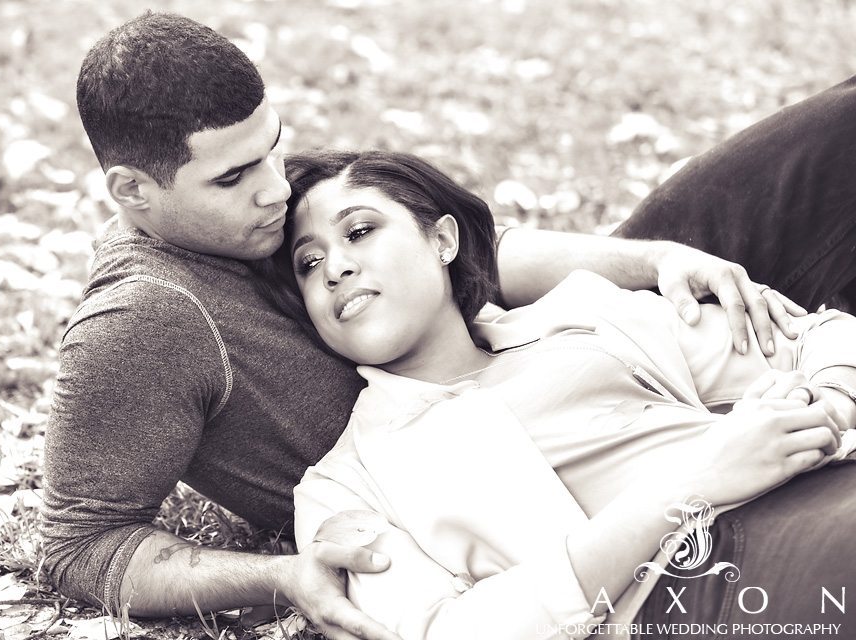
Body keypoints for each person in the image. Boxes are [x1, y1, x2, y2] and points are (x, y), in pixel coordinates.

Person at [42, 11, 805, 640]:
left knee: (825, 140)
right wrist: (281, 576)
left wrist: (655, 261)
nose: (276, 188)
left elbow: (466, 252)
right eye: (236, 177)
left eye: (272, 146)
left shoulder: (253, 198)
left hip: (565, 344)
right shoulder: (141, 321)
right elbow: (78, 544)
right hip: (508, 487)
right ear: (132, 191)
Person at [281, 149, 856, 640]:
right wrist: (691, 484)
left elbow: (818, 336)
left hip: (821, 483)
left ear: (443, 240)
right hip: (696, 589)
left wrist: (830, 401)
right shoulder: (341, 486)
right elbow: (444, 631)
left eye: (359, 232)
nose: (335, 268)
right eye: (308, 264)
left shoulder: (585, 317)